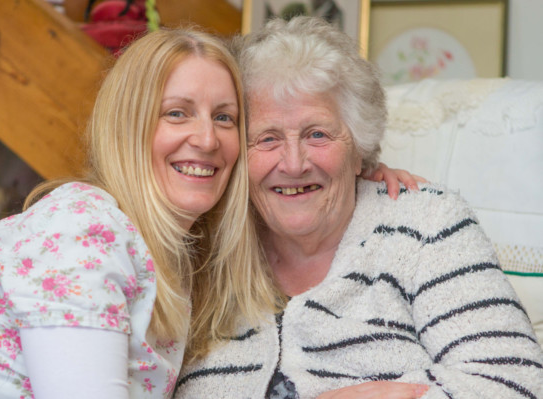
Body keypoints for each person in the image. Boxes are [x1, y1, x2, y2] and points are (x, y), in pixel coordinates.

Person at [0, 24, 421, 399]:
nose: (206, 139)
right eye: (176, 112)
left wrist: (359, 167)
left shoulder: (188, 250)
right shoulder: (82, 228)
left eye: (224, 117)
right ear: (129, 126)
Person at [174, 17, 543, 399]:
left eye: (317, 134)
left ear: (359, 149)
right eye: (267, 139)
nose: (294, 163)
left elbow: (516, 383)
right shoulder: (201, 244)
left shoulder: (425, 224)